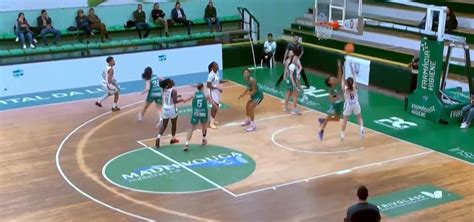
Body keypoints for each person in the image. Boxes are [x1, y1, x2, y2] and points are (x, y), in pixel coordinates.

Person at [155, 79, 190, 148]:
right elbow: (174, 101)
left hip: (165, 108)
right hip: (172, 109)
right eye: (170, 82)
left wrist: (177, 96)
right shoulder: (174, 91)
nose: (172, 81)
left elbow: (169, 97)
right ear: (168, 84)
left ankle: (158, 137)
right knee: (174, 124)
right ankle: (173, 139)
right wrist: (182, 100)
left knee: (164, 125)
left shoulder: (164, 89)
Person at [318, 59, 344, 140]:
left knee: (337, 119)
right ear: (330, 82)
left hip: (340, 104)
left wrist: (339, 66)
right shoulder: (331, 90)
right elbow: (332, 100)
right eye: (332, 78)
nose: (334, 78)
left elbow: (340, 74)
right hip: (334, 105)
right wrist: (338, 96)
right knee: (329, 116)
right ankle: (321, 131)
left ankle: (324, 119)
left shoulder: (338, 83)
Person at [340, 62, 364, 141]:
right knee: (359, 117)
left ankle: (342, 134)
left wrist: (343, 70)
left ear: (347, 82)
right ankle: (361, 129)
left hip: (348, 105)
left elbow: (342, 79)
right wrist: (351, 66)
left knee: (345, 120)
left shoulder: (345, 89)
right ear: (352, 82)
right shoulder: (355, 86)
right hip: (356, 103)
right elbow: (354, 74)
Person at [184, 83, 209, 151]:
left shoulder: (193, 94)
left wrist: (181, 99)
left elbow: (185, 100)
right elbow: (212, 102)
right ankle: (204, 139)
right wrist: (217, 108)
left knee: (191, 128)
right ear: (203, 87)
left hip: (196, 113)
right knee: (204, 126)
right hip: (203, 113)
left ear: (197, 88)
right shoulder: (206, 94)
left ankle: (186, 144)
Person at [284, 51, 303, 115]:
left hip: (290, 82)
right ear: (292, 59)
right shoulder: (292, 66)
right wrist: (294, 83)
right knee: (295, 96)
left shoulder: (291, 65)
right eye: (294, 59)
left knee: (288, 94)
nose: (296, 60)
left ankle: (286, 107)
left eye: (296, 59)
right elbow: (291, 76)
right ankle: (294, 110)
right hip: (292, 82)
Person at [207, 61, 222, 129]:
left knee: (216, 105)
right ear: (212, 67)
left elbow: (218, 81)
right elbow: (208, 85)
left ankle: (211, 119)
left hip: (216, 92)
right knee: (215, 106)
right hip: (212, 92)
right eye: (216, 65)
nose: (218, 66)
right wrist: (217, 88)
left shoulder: (217, 73)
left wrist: (225, 80)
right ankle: (211, 123)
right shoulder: (211, 75)